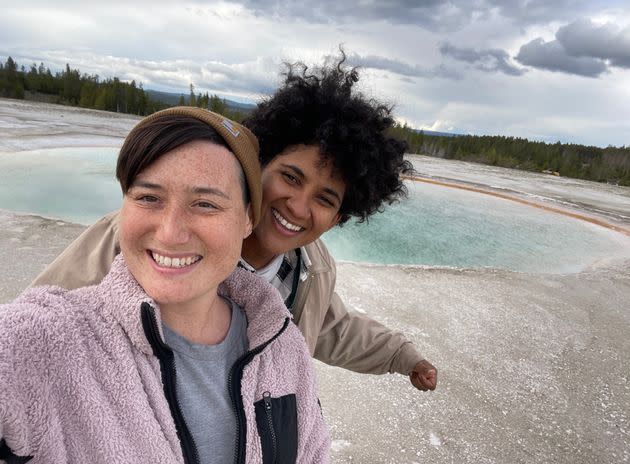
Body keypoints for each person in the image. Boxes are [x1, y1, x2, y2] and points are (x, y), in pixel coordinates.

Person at [32, 53, 438, 392]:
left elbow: (333, 328)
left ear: (337, 219)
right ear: (256, 165)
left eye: (324, 199)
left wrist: (402, 356)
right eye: (290, 177)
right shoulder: (148, 237)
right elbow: (43, 321)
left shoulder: (310, 273)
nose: (297, 206)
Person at [0, 107, 331, 464]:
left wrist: (401, 356)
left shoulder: (284, 348)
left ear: (248, 218)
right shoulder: (44, 343)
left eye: (205, 204)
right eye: (148, 198)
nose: (171, 232)